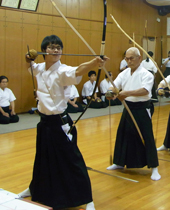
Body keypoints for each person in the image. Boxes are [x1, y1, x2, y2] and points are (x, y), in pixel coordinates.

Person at [19, 34, 108, 210]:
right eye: (52, 47)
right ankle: (34, 187)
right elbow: (30, 64)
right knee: (42, 159)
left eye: (59, 48)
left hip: (60, 123)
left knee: (72, 160)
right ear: (44, 50)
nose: (56, 50)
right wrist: (27, 56)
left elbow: (78, 70)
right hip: (44, 123)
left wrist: (93, 63)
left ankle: (87, 198)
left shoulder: (63, 71)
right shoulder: (39, 68)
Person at [106, 47, 160, 181]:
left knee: (146, 136)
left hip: (142, 108)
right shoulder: (124, 73)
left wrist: (126, 93)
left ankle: (154, 167)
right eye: (127, 58)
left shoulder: (146, 74)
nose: (129, 61)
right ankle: (118, 162)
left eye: (132, 58)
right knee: (123, 134)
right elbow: (115, 85)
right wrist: (111, 93)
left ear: (139, 58)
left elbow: (145, 91)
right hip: (128, 106)